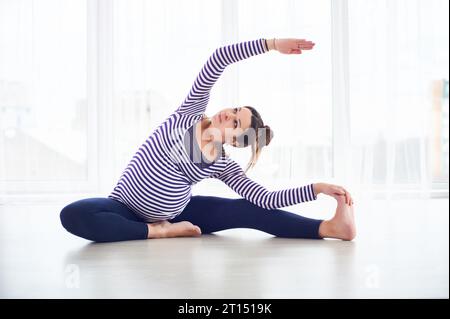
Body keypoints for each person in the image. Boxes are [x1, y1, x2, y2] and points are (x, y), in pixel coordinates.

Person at [60, 38, 356, 243]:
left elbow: (266, 199)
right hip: (123, 207)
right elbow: (219, 59)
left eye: (236, 122)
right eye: (235, 110)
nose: (229, 115)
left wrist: (316, 189)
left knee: (250, 210)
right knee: (73, 215)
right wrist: (272, 44)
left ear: (237, 142)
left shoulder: (222, 165)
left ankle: (331, 228)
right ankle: (159, 232)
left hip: (181, 212)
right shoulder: (191, 112)